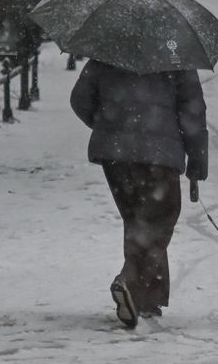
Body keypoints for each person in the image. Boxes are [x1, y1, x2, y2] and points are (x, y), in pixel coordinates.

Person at [70, 60, 208, 329]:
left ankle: (147, 299)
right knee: (160, 217)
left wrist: (108, 125)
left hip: (116, 155)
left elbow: (80, 99)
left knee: (139, 221)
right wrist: (197, 161)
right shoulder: (175, 55)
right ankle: (130, 283)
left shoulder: (108, 52)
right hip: (160, 155)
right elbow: (193, 111)